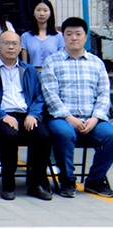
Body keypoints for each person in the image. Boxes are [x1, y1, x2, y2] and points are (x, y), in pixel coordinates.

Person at [41, 17, 113, 198]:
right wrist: (70, 118)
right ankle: (67, 179)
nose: (74, 38)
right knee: (64, 133)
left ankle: (95, 180)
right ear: (63, 36)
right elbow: (50, 95)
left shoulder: (96, 63)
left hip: (92, 119)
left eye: (78, 34)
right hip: (62, 118)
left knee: (110, 135)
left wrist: (95, 118)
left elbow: (104, 95)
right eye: (69, 34)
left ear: (85, 37)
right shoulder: (52, 62)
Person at [0, 30, 52, 201]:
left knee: (43, 135)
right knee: (9, 135)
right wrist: (2, 115)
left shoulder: (29, 70)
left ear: (20, 47)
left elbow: (40, 96)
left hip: (25, 114)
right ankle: (8, 184)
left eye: (14, 44)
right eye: (6, 43)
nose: (10, 47)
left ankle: (36, 184)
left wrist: (33, 114)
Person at [21, 0, 64, 68]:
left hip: (53, 72)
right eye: (38, 10)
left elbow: (61, 60)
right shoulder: (25, 36)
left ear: (50, 13)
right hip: (33, 72)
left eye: (45, 10)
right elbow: (24, 63)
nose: (42, 14)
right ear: (33, 13)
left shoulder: (59, 36)